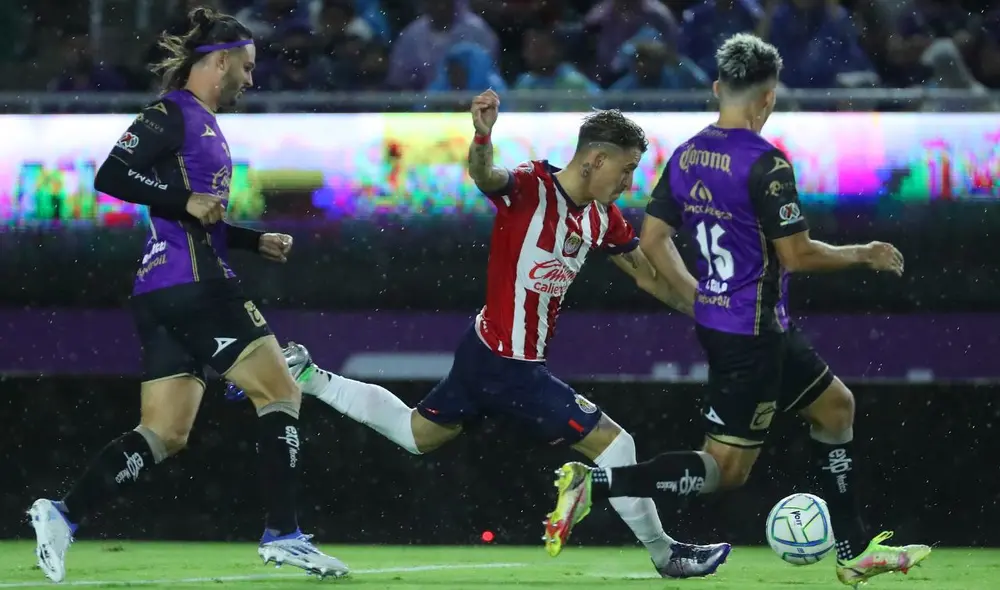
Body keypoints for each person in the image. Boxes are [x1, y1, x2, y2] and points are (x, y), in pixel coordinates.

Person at [229, 91, 731, 578]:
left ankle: (310, 378)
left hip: (484, 351)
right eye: (626, 169)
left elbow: (648, 276)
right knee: (617, 446)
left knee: (415, 434)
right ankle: (666, 555)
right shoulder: (531, 185)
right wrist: (483, 135)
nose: (628, 181)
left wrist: (707, 313)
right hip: (510, 365)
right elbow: (485, 174)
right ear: (596, 159)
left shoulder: (602, 217)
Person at [543, 33, 932, 587]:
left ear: (717, 88)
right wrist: (862, 253)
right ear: (768, 98)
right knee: (724, 471)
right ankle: (597, 484)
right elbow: (795, 254)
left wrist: (701, 296)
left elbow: (653, 239)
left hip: (745, 325)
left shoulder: (687, 155)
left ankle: (853, 550)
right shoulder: (765, 164)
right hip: (752, 335)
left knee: (835, 408)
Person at [27, 8, 348, 582]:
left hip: (162, 293)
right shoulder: (172, 113)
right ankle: (285, 535)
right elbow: (110, 175)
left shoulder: (204, 123)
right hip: (195, 285)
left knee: (165, 433)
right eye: (246, 67)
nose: (250, 79)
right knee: (280, 391)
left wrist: (250, 240)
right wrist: (184, 201)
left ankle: (64, 514)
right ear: (219, 61)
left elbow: (197, 217)